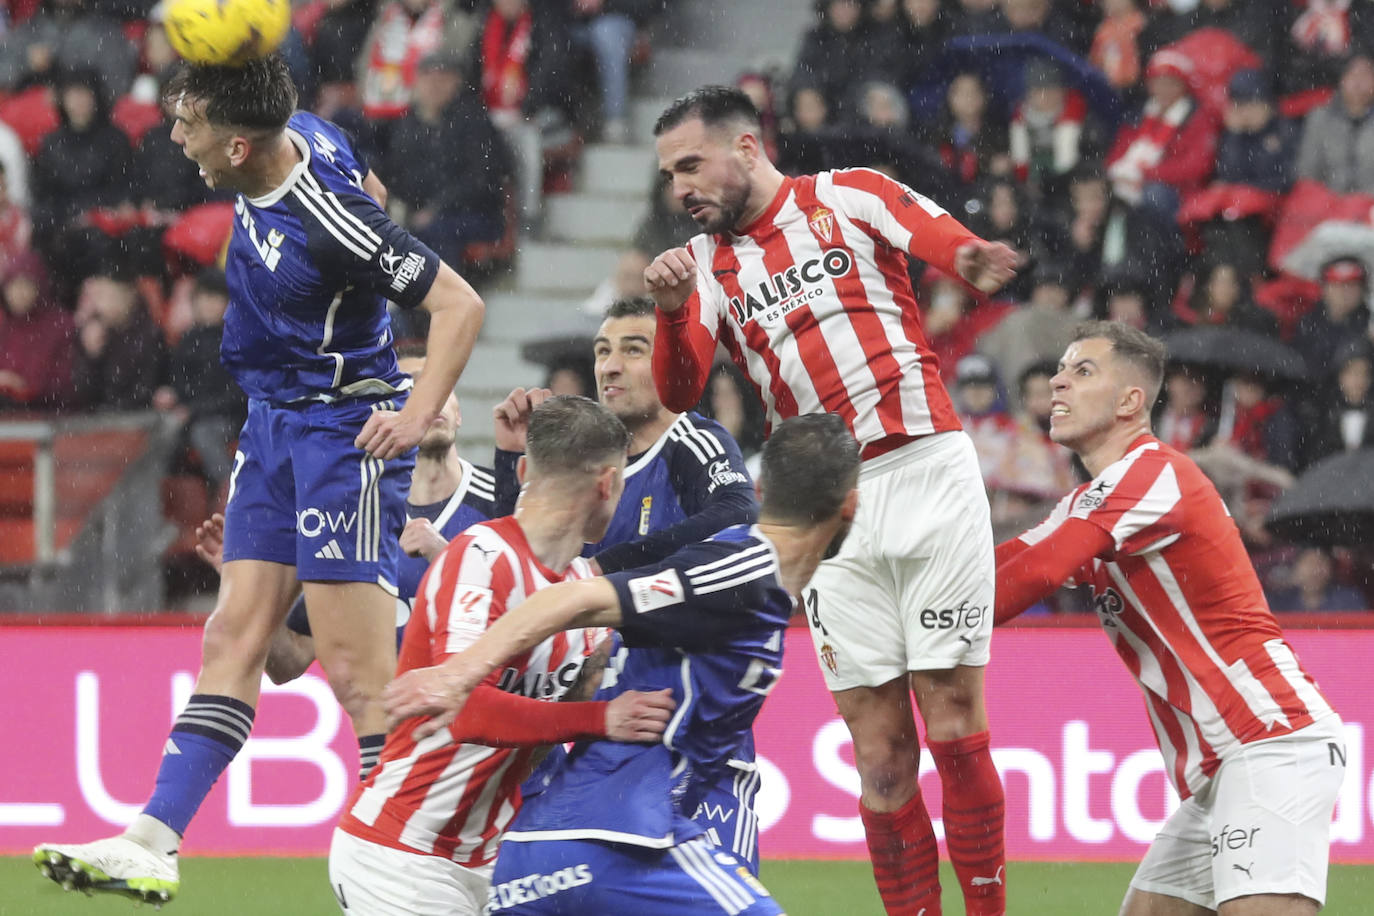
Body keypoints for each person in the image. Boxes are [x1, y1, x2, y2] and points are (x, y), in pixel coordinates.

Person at [33, 53, 486, 904]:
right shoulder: (305, 134)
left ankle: (418, 855)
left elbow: (459, 303)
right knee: (232, 638)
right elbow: (378, 190)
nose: (173, 134)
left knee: (359, 678)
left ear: (237, 147)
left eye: (189, 123)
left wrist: (418, 410)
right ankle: (153, 841)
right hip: (275, 422)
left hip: (339, 436)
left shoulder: (328, 218)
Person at [643, 86, 1017, 916]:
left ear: (746, 147)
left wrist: (969, 257)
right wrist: (670, 316)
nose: (681, 190)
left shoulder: (850, 193)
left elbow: (933, 234)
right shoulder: (702, 268)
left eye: (692, 166)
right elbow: (677, 388)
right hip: (823, 508)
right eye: (671, 176)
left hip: (924, 467)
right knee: (880, 755)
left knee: (953, 720)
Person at [384, 413, 863, 916]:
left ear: (763, 484)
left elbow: (584, 630)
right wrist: (458, 674)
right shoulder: (745, 569)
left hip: (541, 851)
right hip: (614, 843)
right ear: (851, 503)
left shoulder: (748, 577)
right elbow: (576, 598)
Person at [995, 320, 1345, 915]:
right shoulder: (1089, 500)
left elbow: (1030, 578)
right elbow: (999, 570)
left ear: (1132, 401)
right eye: (1059, 370)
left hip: (1267, 740)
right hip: (1217, 770)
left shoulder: (1155, 473)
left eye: (1082, 372)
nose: (1057, 382)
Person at [331, 395, 676, 916]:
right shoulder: (477, 557)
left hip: (494, 863)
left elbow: (542, 741)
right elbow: (468, 712)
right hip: (399, 853)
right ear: (608, 485)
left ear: (521, 469)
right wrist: (600, 716)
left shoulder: (583, 594)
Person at [491, 295, 762, 868]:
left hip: (694, 744)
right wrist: (514, 461)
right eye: (602, 351)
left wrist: (606, 570)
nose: (609, 366)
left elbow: (737, 515)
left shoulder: (692, 440)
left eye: (633, 350)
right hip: (605, 743)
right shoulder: (590, 470)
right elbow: (525, 569)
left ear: (669, 364)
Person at [192, 345, 508, 690]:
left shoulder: (501, 500)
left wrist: (448, 559)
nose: (428, 401)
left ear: (459, 411)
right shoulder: (346, 521)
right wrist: (241, 588)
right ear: (381, 415)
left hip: (490, 727)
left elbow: (537, 621)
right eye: (410, 388)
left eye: (439, 389)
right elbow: (290, 663)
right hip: (402, 737)